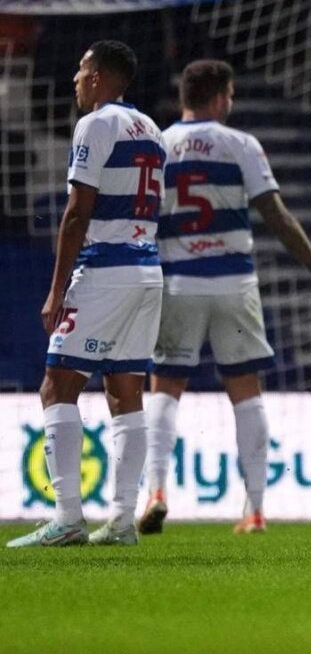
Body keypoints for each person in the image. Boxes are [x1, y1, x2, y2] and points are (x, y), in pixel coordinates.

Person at [136, 59, 311, 537]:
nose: (231, 102)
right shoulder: (241, 144)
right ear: (218, 97)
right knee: (246, 392)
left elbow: (141, 215)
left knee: (165, 387)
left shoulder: (159, 145)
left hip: (179, 281)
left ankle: (157, 490)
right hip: (235, 283)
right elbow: (276, 214)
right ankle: (254, 509)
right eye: (229, 95)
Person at [6, 40, 166, 548]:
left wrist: (57, 290)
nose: (75, 79)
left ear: (97, 76)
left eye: (80, 70)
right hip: (147, 271)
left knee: (56, 386)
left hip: (105, 270)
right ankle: (121, 520)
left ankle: (68, 517)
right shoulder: (152, 129)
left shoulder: (95, 125)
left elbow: (77, 213)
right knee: (125, 392)